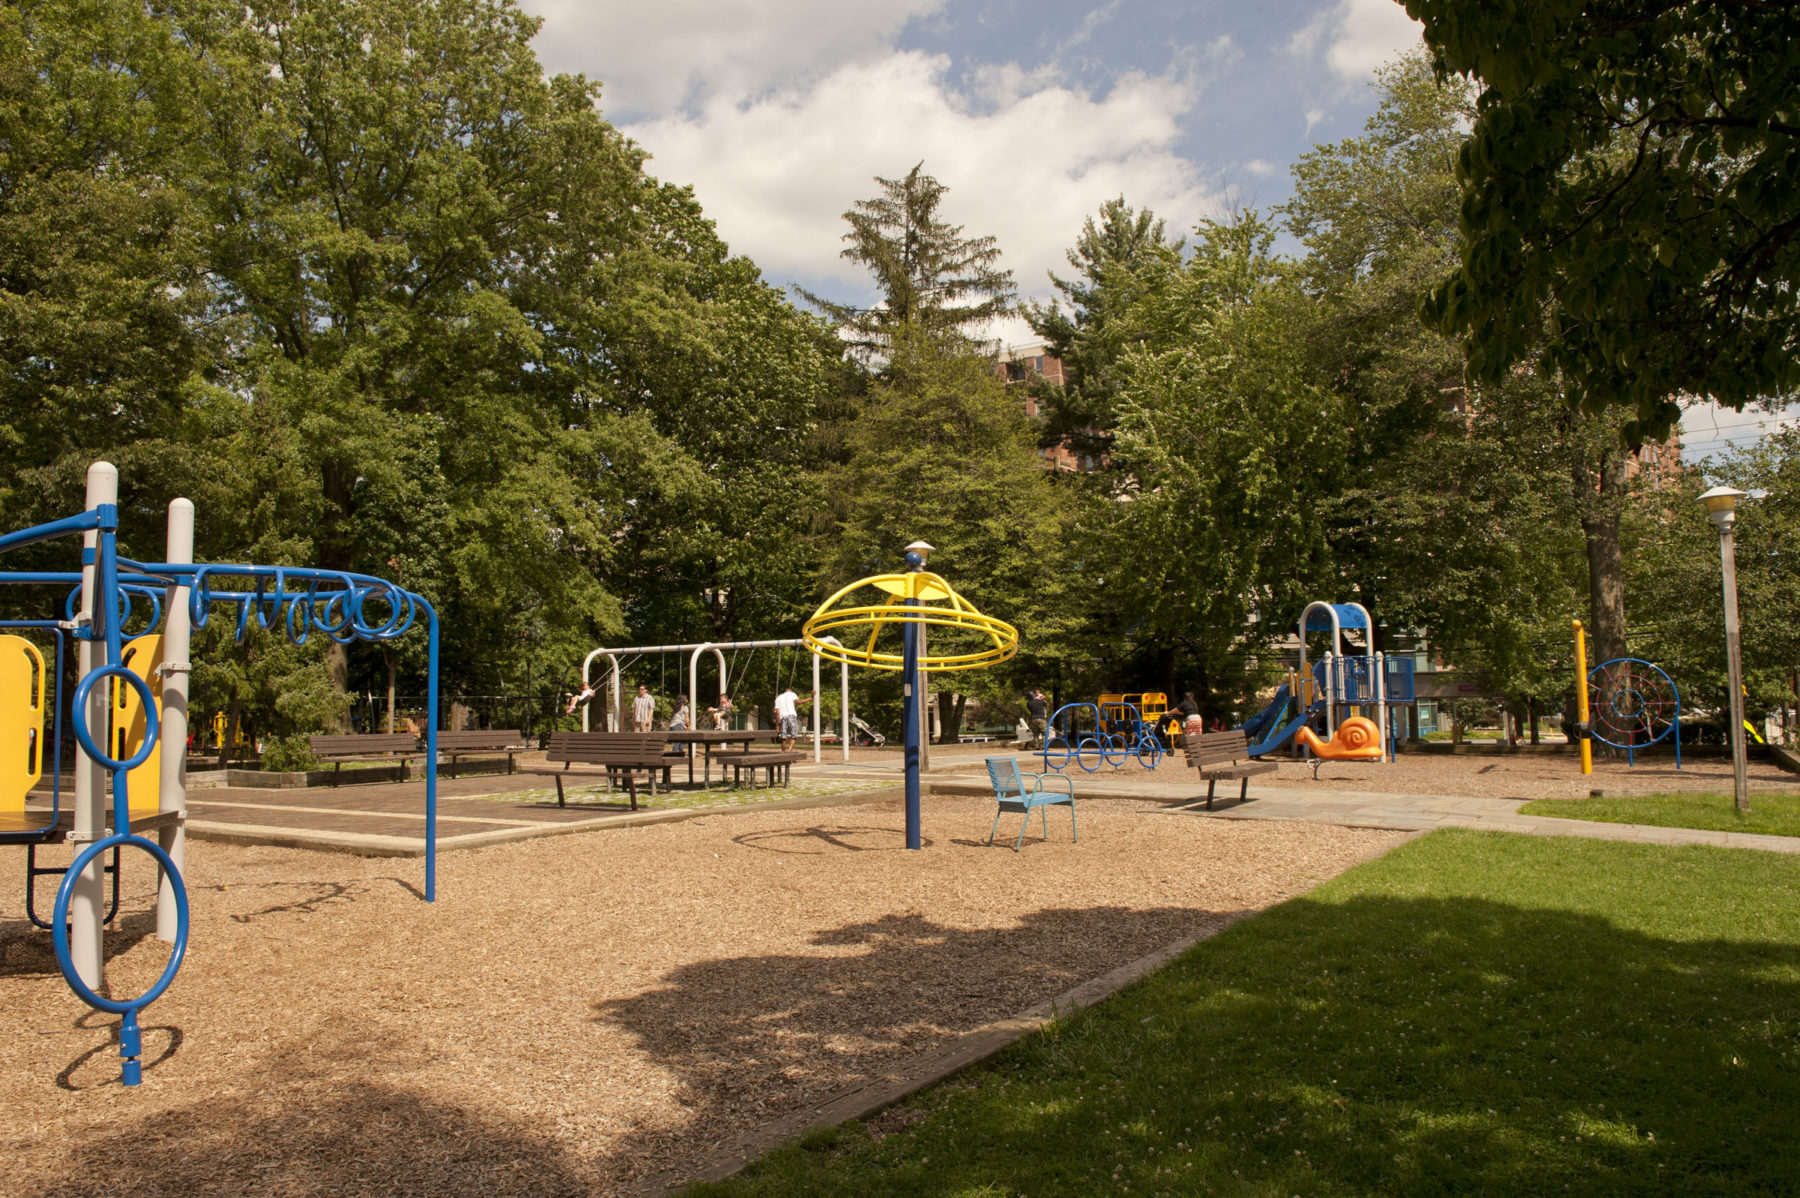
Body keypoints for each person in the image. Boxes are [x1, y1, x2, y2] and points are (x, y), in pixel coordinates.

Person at [773, 686, 814, 752]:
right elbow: (799, 701)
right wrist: (811, 697)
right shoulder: (792, 694)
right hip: (792, 716)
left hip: (783, 717)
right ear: (790, 691)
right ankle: (789, 752)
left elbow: (777, 712)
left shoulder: (778, 698)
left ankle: (783, 753)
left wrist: (777, 725)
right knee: (794, 736)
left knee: (783, 737)